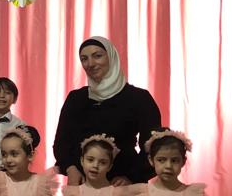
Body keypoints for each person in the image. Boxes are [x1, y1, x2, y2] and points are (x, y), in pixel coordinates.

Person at [53, 36, 162, 186]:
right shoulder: (76, 98)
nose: (90, 63)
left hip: (124, 184)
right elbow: (62, 143)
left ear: (111, 57)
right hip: (83, 183)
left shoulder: (138, 98)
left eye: (97, 56)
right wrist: (70, 168)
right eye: (84, 59)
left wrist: (132, 177)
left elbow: (153, 146)